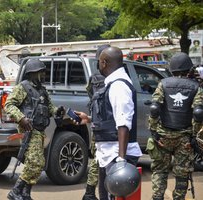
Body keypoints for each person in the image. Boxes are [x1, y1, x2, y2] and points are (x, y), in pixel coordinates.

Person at [74, 46, 142, 200]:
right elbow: (113, 118)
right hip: (108, 153)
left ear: (104, 62)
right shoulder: (112, 84)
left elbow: (123, 123)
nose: (98, 65)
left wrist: (121, 160)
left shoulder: (119, 85)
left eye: (99, 62)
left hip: (116, 154)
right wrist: (89, 118)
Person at [5, 59, 65, 200]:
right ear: (33, 73)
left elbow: (50, 108)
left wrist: (58, 111)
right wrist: (21, 118)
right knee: (35, 162)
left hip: (40, 130)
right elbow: (9, 105)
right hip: (29, 130)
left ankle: (26, 193)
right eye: (41, 72)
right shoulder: (23, 87)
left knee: (38, 164)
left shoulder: (42, 90)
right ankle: (15, 191)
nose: (43, 75)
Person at [147, 52, 203, 200]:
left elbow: (154, 108)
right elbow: (198, 113)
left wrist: (153, 131)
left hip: (163, 136)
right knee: (182, 174)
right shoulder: (196, 86)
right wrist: (194, 136)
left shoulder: (163, 83)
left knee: (160, 170)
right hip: (184, 138)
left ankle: (157, 197)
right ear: (188, 69)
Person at [82, 44, 110, 200]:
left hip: (96, 123)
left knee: (96, 158)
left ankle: (90, 192)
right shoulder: (115, 77)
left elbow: (89, 94)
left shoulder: (93, 78)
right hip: (110, 126)